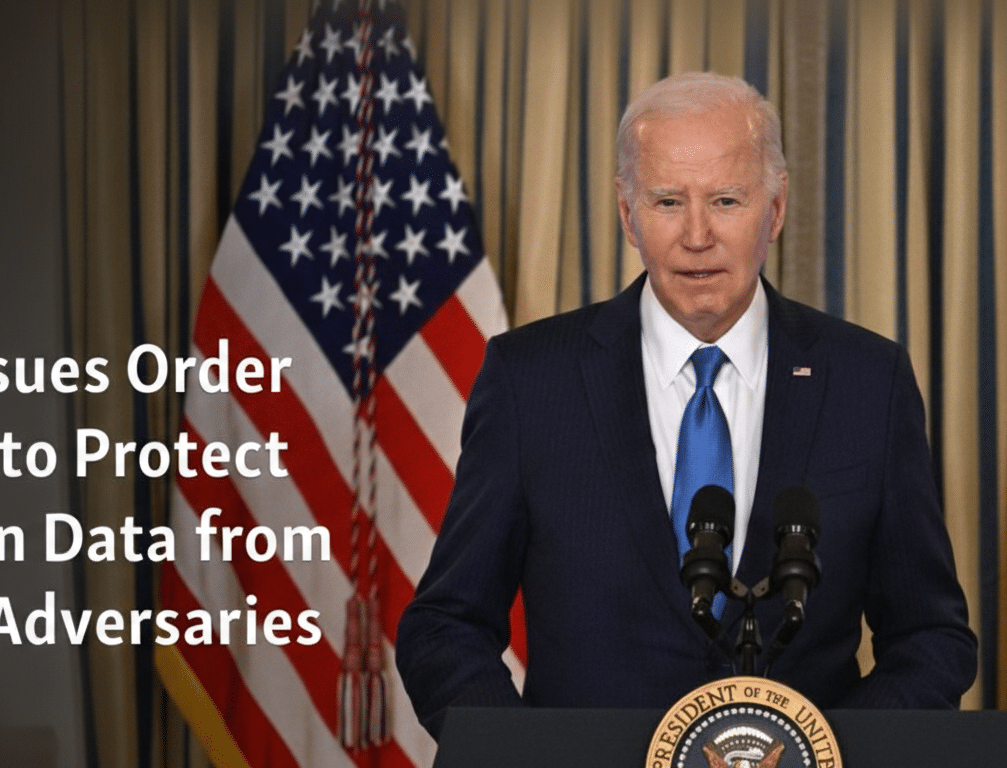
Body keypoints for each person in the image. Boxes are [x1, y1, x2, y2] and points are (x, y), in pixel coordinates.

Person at [396, 71, 976, 739]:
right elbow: (445, 626)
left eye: (727, 200)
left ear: (776, 208)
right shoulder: (531, 380)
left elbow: (931, 638)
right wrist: (529, 759)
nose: (697, 235)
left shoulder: (868, 382)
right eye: (669, 202)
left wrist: (823, 756)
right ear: (627, 213)